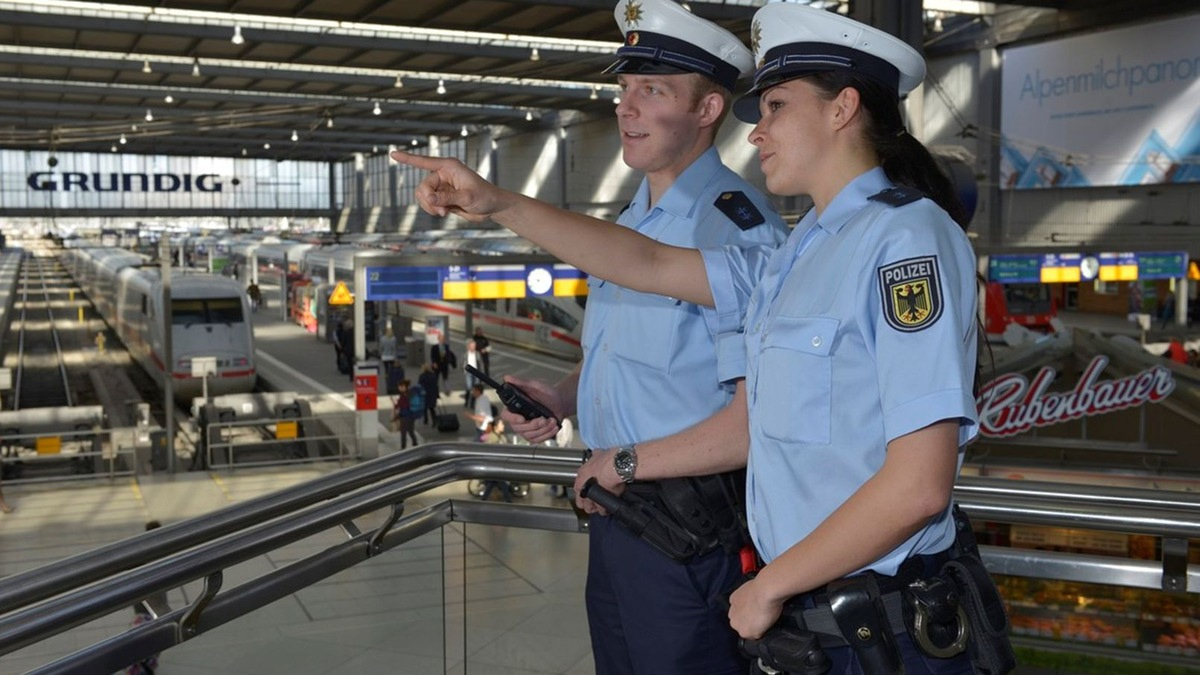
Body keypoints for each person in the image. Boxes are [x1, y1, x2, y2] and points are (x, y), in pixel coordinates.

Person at [393, 3, 998, 673]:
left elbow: (919, 486)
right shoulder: (800, 252)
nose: (757, 130)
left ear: (842, 108)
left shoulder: (905, 239)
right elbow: (648, 265)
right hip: (813, 610)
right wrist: (496, 203)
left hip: (878, 617)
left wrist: (768, 585)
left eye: (775, 106)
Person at [396, 1, 787, 672]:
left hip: (690, 533)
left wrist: (627, 462)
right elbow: (633, 358)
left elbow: (757, 418)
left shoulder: (735, 230)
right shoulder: (632, 219)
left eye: (652, 90)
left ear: (708, 109)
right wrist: (563, 394)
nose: (625, 108)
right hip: (615, 511)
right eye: (624, 88)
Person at [392, 380, 420, 449]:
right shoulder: (410, 393)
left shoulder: (404, 395)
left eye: (400, 387)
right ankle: (415, 443)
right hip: (412, 415)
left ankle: (403, 446)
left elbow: (402, 405)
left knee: (403, 432)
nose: (399, 388)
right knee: (410, 430)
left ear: (404, 387)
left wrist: (396, 405)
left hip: (405, 416)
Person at [379, 326, 399, 391]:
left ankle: (387, 383)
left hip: (384, 357)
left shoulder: (382, 339)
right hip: (391, 357)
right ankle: (392, 383)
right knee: (392, 370)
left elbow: (381, 348)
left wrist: (381, 355)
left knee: (386, 369)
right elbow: (394, 349)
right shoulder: (394, 339)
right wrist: (396, 357)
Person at [464, 339, 481, 407]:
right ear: (468, 346)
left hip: (476, 372)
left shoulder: (477, 354)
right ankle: (467, 401)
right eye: (472, 346)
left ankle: (473, 403)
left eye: (474, 346)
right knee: (469, 387)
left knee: (476, 388)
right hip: (468, 373)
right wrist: (464, 370)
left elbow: (480, 363)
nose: (473, 347)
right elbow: (462, 363)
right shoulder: (465, 355)